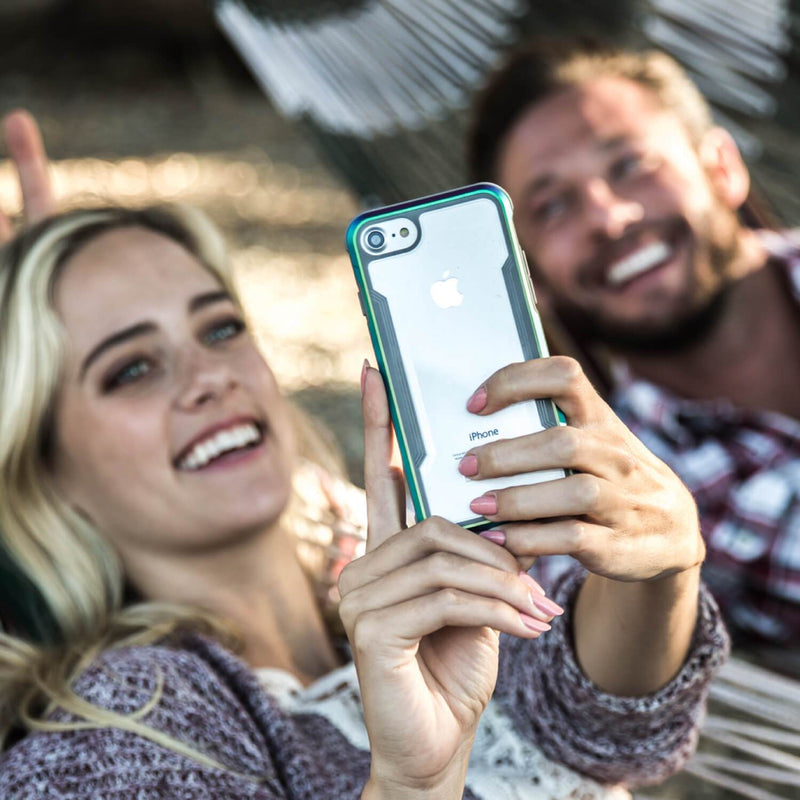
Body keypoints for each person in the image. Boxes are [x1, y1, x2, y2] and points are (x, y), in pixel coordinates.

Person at [0, 110, 727, 799]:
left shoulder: (385, 542)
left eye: (219, 328)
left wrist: (661, 569)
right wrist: (411, 785)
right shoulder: (112, 725)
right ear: (43, 467)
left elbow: (605, 724)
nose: (209, 377)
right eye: (130, 369)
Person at [467, 39, 800, 649]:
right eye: (553, 206)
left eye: (630, 166)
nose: (609, 217)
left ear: (721, 168)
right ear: (533, 280)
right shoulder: (608, 493)